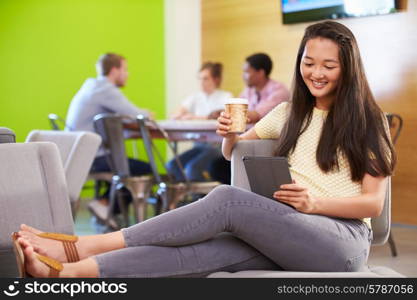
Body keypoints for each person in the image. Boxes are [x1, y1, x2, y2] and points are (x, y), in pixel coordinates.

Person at [15, 21, 395, 278]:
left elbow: (372, 204)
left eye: (328, 65)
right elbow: (233, 153)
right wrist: (229, 134)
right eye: (309, 62)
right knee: (209, 252)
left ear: (347, 68)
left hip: (341, 241)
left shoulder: (368, 120)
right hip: (292, 230)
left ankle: (81, 246)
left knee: (227, 199)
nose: (316, 73)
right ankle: (66, 272)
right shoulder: (288, 113)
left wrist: (314, 203)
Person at [65, 53, 152, 226]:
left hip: (77, 154)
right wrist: (148, 113)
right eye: (125, 69)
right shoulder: (106, 90)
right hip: (92, 158)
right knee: (144, 169)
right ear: (114, 70)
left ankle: (107, 208)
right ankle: (104, 204)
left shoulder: (92, 87)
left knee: (126, 164)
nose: (127, 74)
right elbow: (138, 115)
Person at [209, 53, 290, 184]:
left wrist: (230, 114)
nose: (243, 76)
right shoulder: (249, 91)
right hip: (248, 141)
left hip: (268, 148)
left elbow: (254, 115)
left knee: (217, 166)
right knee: (217, 164)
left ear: (260, 73)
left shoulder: (279, 92)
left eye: (247, 72)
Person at [166, 62, 232, 182]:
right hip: (199, 146)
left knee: (193, 169)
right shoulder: (195, 97)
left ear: (216, 79)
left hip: (217, 147)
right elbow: (176, 114)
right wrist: (180, 114)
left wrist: (193, 117)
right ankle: (186, 195)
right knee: (172, 166)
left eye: (206, 78)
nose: (202, 82)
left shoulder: (226, 97)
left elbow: (220, 117)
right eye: (200, 78)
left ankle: (203, 196)